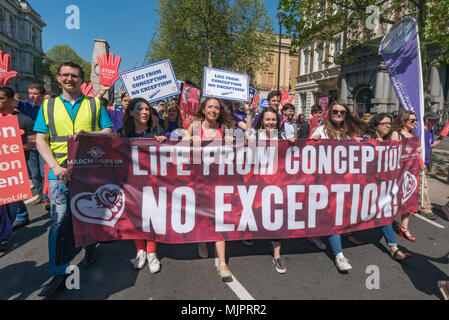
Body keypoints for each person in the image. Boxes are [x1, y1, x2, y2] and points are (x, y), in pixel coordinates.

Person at [34, 62, 114, 297]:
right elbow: (41, 140)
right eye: (66, 76)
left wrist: (90, 134)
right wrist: (55, 167)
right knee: (58, 222)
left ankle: (90, 247)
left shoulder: (95, 104)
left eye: (75, 76)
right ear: (58, 78)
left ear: (82, 80)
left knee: (88, 213)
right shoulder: (48, 105)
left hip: (89, 172)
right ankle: (59, 271)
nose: (70, 79)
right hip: (59, 173)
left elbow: (109, 132)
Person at [311, 101, 367, 271]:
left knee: (333, 215)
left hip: (343, 183)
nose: (338, 115)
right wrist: (313, 142)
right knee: (332, 216)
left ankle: (314, 234)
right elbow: (308, 151)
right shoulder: (321, 130)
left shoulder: (349, 133)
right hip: (324, 182)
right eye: (335, 111)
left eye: (342, 112)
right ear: (330, 113)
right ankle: (339, 255)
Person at [186, 97, 234, 282]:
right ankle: (202, 241)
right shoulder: (195, 126)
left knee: (219, 218)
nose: (213, 110)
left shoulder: (225, 128)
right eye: (210, 107)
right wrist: (190, 137)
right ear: (204, 109)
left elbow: (236, 151)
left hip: (219, 181)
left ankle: (222, 263)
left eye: (216, 107)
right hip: (198, 180)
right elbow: (178, 144)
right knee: (202, 215)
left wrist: (230, 140)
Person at [118, 98, 166, 273]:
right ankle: (141, 251)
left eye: (147, 109)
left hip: (152, 183)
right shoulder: (123, 132)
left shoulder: (157, 130)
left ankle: (152, 253)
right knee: (136, 218)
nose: (145, 112)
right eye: (140, 109)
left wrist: (163, 140)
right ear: (131, 112)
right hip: (131, 183)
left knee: (152, 217)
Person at [251, 107, 296, 273]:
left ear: (278, 122)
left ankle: (277, 256)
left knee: (276, 217)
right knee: (255, 215)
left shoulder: (283, 138)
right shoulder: (253, 137)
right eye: (267, 119)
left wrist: (292, 144)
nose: (270, 122)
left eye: (273, 120)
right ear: (262, 121)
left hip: (276, 185)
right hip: (256, 184)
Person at [363, 113, 411, 260]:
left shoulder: (390, 141)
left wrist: (416, 153)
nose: (388, 126)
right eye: (384, 123)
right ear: (376, 125)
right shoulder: (366, 137)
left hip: (380, 186)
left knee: (383, 215)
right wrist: (373, 144)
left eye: (389, 123)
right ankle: (350, 233)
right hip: (362, 186)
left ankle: (393, 247)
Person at [0, 86, 36, 230]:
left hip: (14, 166)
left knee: (11, 197)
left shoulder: (23, 120)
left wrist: (14, 149)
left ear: (10, 100)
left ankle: (5, 234)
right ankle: (21, 215)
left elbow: (35, 142)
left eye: (1, 98)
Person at [17, 84, 51, 212]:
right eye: (30, 93)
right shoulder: (26, 105)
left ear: (42, 95)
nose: (32, 96)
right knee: (35, 174)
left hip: (44, 145)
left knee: (44, 173)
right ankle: (41, 195)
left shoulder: (48, 106)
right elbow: (11, 99)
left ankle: (47, 197)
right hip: (31, 146)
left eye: (35, 93)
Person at [391, 111, 423, 242]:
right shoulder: (396, 134)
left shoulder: (414, 135)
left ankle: (404, 227)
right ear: (404, 120)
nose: (415, 123)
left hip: (412, 172)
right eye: (412, 120)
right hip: (399, 173)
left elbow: (416, 156)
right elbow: (392, 152)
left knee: (410, 199)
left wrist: (420, 160)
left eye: (415, 121)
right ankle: (386, 222)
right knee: (396, 199)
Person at [419, 111, 444, 220]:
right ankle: (426, 209)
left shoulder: (431, 131)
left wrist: (441, 138)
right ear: (428, 120)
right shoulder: (420, 132)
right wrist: (420, 162)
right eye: (435, 120)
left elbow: (430, 145)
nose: (437, 122)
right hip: (419, 164)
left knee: (417, 186)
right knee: (423, 186)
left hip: (426, 163)